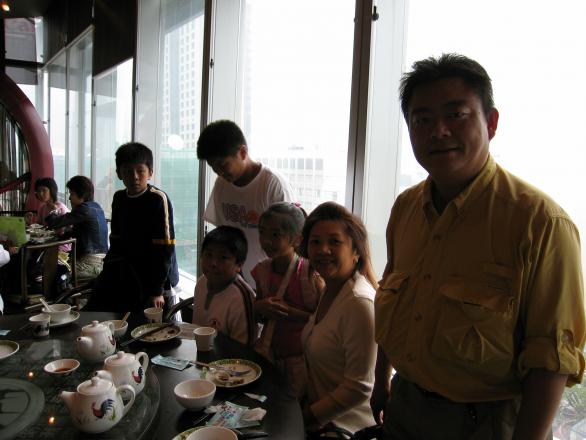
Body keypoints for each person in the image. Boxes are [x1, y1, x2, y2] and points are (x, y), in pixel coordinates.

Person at [371, 54, 585, 439]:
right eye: (422, 119)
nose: (438, 131)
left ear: (491, 122)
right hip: (404, 404)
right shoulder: (406, 208)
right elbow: (394, 295)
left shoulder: (540, 223)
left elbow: (551, 361)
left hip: (483, 422)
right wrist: (380, 379)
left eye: (456, 115)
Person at [300, 202, 378, 435]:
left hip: (345, 428)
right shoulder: (331, 288)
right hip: (320, 419)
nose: (323, 250)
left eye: (334, 242)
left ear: (356, 251)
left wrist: (306, 417)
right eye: (315, 242)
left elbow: (358, 387)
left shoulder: (359, 303)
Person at [197, 120, 295, 287]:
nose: (219, 172)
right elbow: (222, 233)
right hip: (234, 282)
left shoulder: (272, 185)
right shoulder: (221, 184)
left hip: (269, 285)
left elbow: (289, 244)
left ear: (242, 152)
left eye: (223, 165)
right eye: (213, 167)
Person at [88, 142, 179, 313]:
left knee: (141, 319)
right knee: (100, 304)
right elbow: (116, 240)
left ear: (150, 172)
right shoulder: (119, 198)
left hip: (156, 273)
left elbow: (165, 248)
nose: (135, 176)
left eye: (140, 171)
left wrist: (157, 290)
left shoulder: (158, 199)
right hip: (128, 269)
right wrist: (107, 272)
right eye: (128, 171)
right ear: (119, 174)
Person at [251, 202, 322, 398]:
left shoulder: (309, 274)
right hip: (270, 354)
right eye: (262, 232)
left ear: (297, 239)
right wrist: (260, 306)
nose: (266, 240)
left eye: (275, 235)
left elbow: (324, 321)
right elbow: (257, 314)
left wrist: (290, 312)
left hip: (302, 360)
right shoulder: (262, 271)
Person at [192, 225, 256, 346]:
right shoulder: (201, 283)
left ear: (239, 265)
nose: (213, 263)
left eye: (223, 258)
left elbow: (244, 350)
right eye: (208, 255)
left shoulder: (242, 297)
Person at [45, 176, 109, 280]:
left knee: (53, 273)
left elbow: (54, 223)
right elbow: (78, 232)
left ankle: (62, 290)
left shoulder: (84, 209)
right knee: (56, 266)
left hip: (89, 263)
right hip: (101, 261)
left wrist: (54, 210)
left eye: (72, 194)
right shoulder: (96, 207)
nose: (69, 198)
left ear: (82, 194)